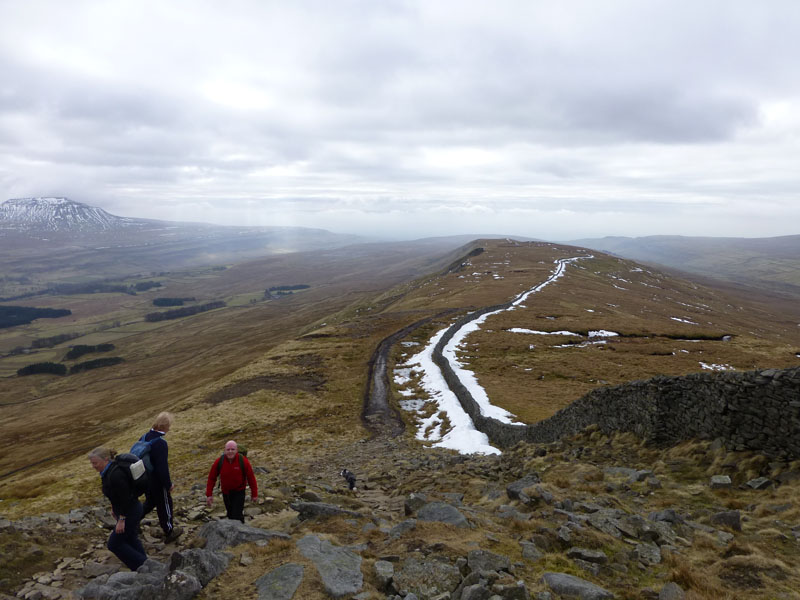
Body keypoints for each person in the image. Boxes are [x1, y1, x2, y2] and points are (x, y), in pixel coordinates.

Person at [88, 446, 147, 571]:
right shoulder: (107, 472)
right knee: (130, 538)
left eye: (95, 463)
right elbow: (116, 496)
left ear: (105, 459)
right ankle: (144, 565)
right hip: (131, 509)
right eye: (92, 463)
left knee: (114, 544)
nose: (93, 466)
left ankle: (143, 566)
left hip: (131, 511)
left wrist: (122, 519)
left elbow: (126, 498)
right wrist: (114, 509)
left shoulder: (115, 474)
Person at [140, 412, 182, 542]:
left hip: (146, 478)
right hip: (157, 481)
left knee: (150, 502)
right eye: (169, 425)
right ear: (165, 425)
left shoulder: (144, 437)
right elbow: (162, 467)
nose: (169, 428)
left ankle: (132, 521)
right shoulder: (160, 443)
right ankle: (169, 531)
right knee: (165, 504)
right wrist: (168, 484)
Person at [205, 440, 258, 522]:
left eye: (232, 449)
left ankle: (240, 531)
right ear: (225, 450)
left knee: (236, 515)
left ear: (236, 450)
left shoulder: (243, 461)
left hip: (239, 492)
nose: (230, 451)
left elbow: (251, 478)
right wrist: (209, 495)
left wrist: (254, 494)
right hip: (226, 493)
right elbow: (211, 478)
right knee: (230, 515)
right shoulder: (219, 461)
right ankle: (239, 529)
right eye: (228, 449)